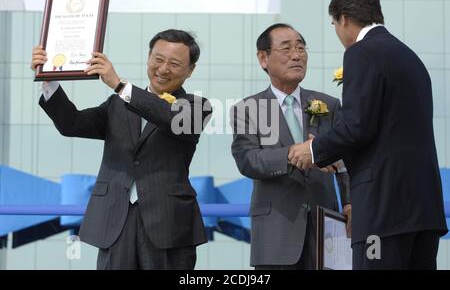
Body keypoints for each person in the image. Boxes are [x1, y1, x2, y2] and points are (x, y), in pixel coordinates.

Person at [289, 0, 448, 269]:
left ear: (344, 19)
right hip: (423, 211)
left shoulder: (360, 53)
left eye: (334, 24)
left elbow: (357, 126)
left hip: (383, 212)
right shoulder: (411, 58)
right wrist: (337, 159)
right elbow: (386, 133)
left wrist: (314, 149)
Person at [31, 29, 213, 270]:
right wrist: (49, 79)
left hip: (168, 224)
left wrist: (119, 84)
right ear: (148, 57)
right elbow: (71, 123)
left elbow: (168, 117)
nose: (163, 68)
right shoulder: (117, 105)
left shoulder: (196, 106)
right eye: (158, 59)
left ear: (190, 69)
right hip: (116, 220)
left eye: (174, 63)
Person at [230, 23, 351, 270]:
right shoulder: (248, 109)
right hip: (276, 236)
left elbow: (346, 162)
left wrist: (350, 202)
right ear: (263, 58)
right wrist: (295, 153)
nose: (297, 55)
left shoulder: (328, 105)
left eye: (301, 48)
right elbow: (248, 160)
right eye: (286, 49)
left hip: (326, 231)